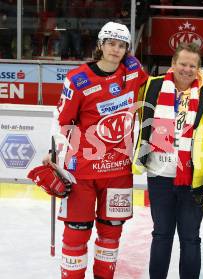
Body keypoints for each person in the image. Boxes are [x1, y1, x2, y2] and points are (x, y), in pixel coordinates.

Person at [43, 21, 148, 278]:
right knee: (76, 234)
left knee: (111, 233)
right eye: (111, 43)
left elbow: (153, 88)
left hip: (118, 171)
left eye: (122, 45)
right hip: (82, 172)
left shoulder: (133, 70)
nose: (116, 49)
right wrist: (54, 153)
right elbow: (63, 121)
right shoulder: (78, 79)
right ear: (101, 45)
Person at [132, 42, 203, 279]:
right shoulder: (151, 86)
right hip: (159, 174)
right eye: (182, 63)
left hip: (193, 178)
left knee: (190, 238)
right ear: (173, 64)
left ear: (199, 69)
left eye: (192, 65)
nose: (186, 69)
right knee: (162, 234)